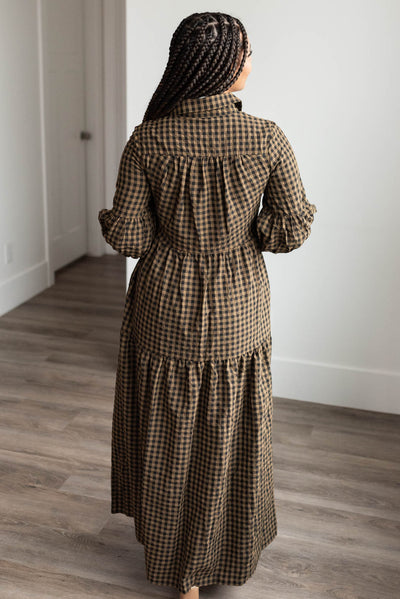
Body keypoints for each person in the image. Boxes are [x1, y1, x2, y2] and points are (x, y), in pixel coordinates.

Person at [98, 11, 317, 599]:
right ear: (221, 63)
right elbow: (292, 227)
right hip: (237, 306)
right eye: (246, 53)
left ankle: (178, 570)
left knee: (168, 433)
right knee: (228, 434)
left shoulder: (149, 137)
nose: (251, 63)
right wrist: (249, 230)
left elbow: (131, 239)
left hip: (163, 301)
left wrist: (126, 221)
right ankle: (220, 559)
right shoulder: (265, 137)